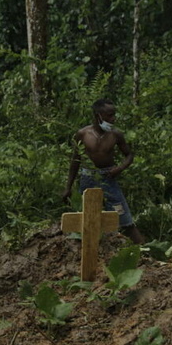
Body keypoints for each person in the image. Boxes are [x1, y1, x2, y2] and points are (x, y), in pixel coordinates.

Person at [62, 98, 145, 245]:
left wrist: (119, 168)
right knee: (87, 220)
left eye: (114, 115)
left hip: (108, 179)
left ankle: (145, 252)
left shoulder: (116, 135)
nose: (113, 119)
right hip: (88, 179)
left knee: (124, 219)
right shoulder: (82, 134)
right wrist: (68, 187)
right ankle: (90, 252)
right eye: (109, 115)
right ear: (98, 115)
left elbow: (129, 155)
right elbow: (75, 161)